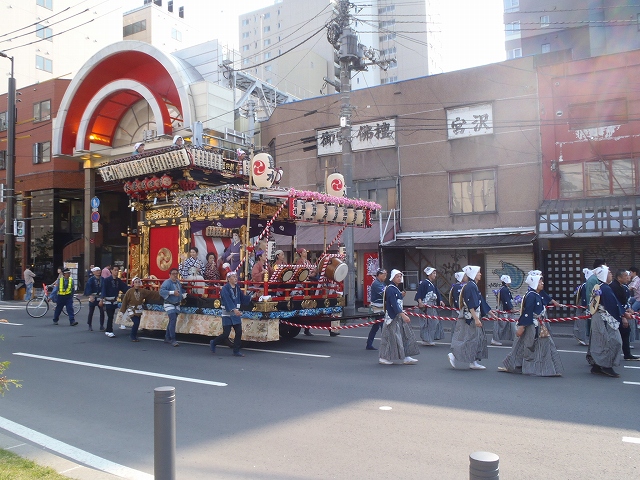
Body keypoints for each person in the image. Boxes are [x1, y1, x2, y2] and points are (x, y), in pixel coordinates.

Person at [499, 272, 564, 376]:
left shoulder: (536, 294)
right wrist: (522, 326)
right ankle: (518, 366)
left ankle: (551, 369)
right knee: (527, 346)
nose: (542, 283)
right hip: (531, 325)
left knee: (543, 345)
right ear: (535, 283)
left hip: (537, 324)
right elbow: (528, 312)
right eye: (540, 282)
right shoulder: (531, 295)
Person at [448, 265, 494, 370]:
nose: (480, 274)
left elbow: (481, 302)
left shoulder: (473, 286)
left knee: (474, 339)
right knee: (469, 339)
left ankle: (473, 361)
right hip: (471, 317)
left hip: (473, 316)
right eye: (478, 272)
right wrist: (476, 319)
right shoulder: (471, 286)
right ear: (473, 274)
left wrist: (491, 313)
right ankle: (454, 355)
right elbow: (471, 304)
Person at [586, 266, 624, 377]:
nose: (611, 274)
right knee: (613, 341)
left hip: (599, 318)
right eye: (609, 272)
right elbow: (612, 305)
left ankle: (597, 366)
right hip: (604, 319)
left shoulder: (601, 287)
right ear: (604, 275)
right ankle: (607, 366)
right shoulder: (605, 288)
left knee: (600, 342)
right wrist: (622, 315)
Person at [378, 269, 420, 365]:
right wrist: (403, 315)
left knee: (403, 336)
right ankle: (383, 357)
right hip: (392, 317)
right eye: (397, 276)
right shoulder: (390, 289)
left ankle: (406, 356)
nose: (399, 278)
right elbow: (394, 304)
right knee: (390, 337)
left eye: (400, 276)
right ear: (393, 278)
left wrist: (401, 296)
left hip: (398, 316)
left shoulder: (395, 288)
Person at [209, 271, 252, 357]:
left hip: (236, 314)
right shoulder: (225, 289)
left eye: (236, 277)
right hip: (227, 314)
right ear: (228, 279)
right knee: (226, 334)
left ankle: (236, 351)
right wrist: (234, 310)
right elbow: (227, 300)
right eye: (233, 277)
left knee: (239, 332)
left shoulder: (237, 288)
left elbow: (242, 298)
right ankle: (214, 342)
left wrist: (251, 297)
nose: (236, 278)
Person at [609, 269, 639, 361]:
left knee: (625, 332)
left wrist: (628, 308)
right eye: (625, 276)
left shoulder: (623, 287)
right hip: (615, 315)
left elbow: (625, 301)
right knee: (617, 336)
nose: (628, 277)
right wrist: (623, 317)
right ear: (619, 278)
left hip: (622, 313)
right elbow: (616, 303)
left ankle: (627, 354)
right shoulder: (613, 287)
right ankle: (613, 356)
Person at [119, 277, 159, 342]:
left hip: (139, 310)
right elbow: (125, 301)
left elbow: (151, 293)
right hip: (132, 310)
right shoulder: (130, 291)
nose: (137, 283)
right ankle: (132, 336)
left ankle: (134, 335)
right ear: (133, 283)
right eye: (136, 282)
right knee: (136, 322)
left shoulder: (142, 291)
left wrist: (161, 293)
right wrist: (122, 311)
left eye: (138, 282)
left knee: (137, 323)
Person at [415, 266, 445, 346]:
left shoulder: (432, 284)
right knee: (428, 322)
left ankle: (430, 338)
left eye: (435, 273)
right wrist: (420, 302)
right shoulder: (424, 283)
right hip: (426, 305)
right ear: (429, 274)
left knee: (434, 322)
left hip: (432, 305)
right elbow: (419, 293)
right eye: (434, 273)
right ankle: (426, 339)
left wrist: (440, 300)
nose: (435, 275)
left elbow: (437, 293)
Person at [159, 268, 187, 347]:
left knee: (172, 320)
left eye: (176, 273)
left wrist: (182, 296)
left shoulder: (178, 282)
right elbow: (161, 291)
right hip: (169, 303)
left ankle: (167, 337)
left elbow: (179, 291)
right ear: (169, 275)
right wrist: (172, 292)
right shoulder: (167, 282)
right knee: (173, 319)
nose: (175, 275)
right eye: (173, 274)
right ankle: (173, 339)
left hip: (176, 304)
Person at [99, 266, 129, 338]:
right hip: (108, 300)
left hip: (114, 300)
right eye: (115, 270)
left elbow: (124, 288)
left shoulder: (118, 281)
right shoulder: (106, 280)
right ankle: (110, 331)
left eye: (117, 270)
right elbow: (103, 290)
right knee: (110, 316)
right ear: (111, 271)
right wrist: (101, 299)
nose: (116, 272)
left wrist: (132, 289)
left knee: (111, 316)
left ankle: (108, 330)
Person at [366, 268, 387, 350]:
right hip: (377, 308)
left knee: (376, 326)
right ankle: (385, 345)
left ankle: (369, 344)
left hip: (381, 307)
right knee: (382, 326)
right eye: (384, 275)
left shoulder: (381, 283)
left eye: (386, 275)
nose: (385, 277)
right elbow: (384, 293)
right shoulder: (376, 284)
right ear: (379, 275)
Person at [493, 274, 516, 344]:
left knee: (508, 324)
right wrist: (511, 308)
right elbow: (506, 300)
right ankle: (495, 339)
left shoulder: (503, 289)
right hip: (504, 309)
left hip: (504, 308)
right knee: (502, 324)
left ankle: (514, 339)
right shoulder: (504, 290)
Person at [573, 268, 592, 346]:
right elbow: (584, 297)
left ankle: (582, 338)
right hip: (583, 306)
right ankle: (582, 338)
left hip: (582, 305)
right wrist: (584, 307)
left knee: (582, 322)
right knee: (582, 323)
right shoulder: (585, 285)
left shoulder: (583, 285)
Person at [84, 266, 104, 331]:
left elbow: (104, 288)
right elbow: (88, 288)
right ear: (93, 272)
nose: (98, 272)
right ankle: (89, 324)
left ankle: (101, 325)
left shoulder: (103, 279)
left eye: (99, 270)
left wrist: (103, 297)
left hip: (100, 297)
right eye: (97, 271)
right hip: (93, 296)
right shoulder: (91, 279)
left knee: (102, 311)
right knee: (91, 311)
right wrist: (90, 296)